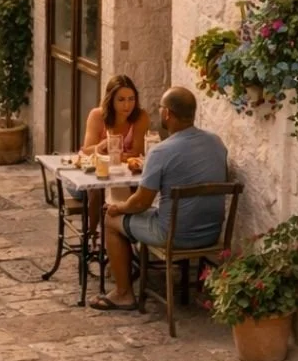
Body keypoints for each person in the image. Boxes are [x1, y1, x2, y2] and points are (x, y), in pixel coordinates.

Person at [92, 86, 228, 312]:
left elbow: (140, 203)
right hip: (211, 233)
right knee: (149, 212)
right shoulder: (217, 143)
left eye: (161, 108)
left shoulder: (161, 151)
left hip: (173, 235)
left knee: (110, 220)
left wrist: (118, 208)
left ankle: (123, 294)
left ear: (168, 114)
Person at [69, 75, 152, 227]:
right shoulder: (97, 116)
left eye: (131, 99)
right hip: (88, 177)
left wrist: (115, 156)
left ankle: (123, 234)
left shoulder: (141, 117)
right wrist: (101, 146)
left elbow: (137, 152)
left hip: (120, 177)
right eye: (121, 100)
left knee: (136, 191)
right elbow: (87, 150)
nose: (127, 105)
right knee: (96, 190)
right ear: (111, 99)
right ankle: (93, 236)